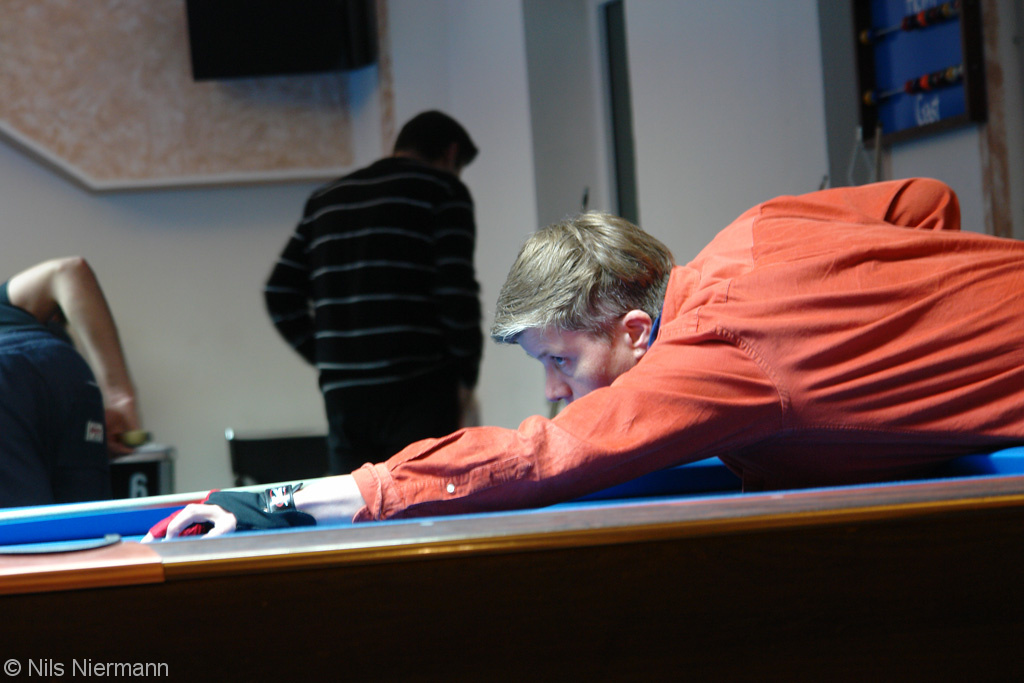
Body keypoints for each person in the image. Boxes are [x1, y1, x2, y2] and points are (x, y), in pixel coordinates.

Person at [147, 177, 1024, 540]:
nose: (555, 389)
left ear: (637, 331)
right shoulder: (762, 227)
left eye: (562, 361)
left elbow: (540, 457)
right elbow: (926, 201)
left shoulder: (712, 355)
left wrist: (276, 502)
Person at [264, 110, 483, 475]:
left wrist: (330, 356)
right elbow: (456, 292)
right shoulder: (444, 190)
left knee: (356, 502)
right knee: (423, 501)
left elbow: (279, 291)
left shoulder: (326, 199)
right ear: (451, 153)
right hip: (421, 387)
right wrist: (466, 377)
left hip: (345, 396)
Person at [0, 257, 143, 508]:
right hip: (73, 379)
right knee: (85, 520)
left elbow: (70, 269)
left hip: (7, 377)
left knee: (20, 524)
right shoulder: (20, 312)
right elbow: (69, 271)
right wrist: (121, 399)